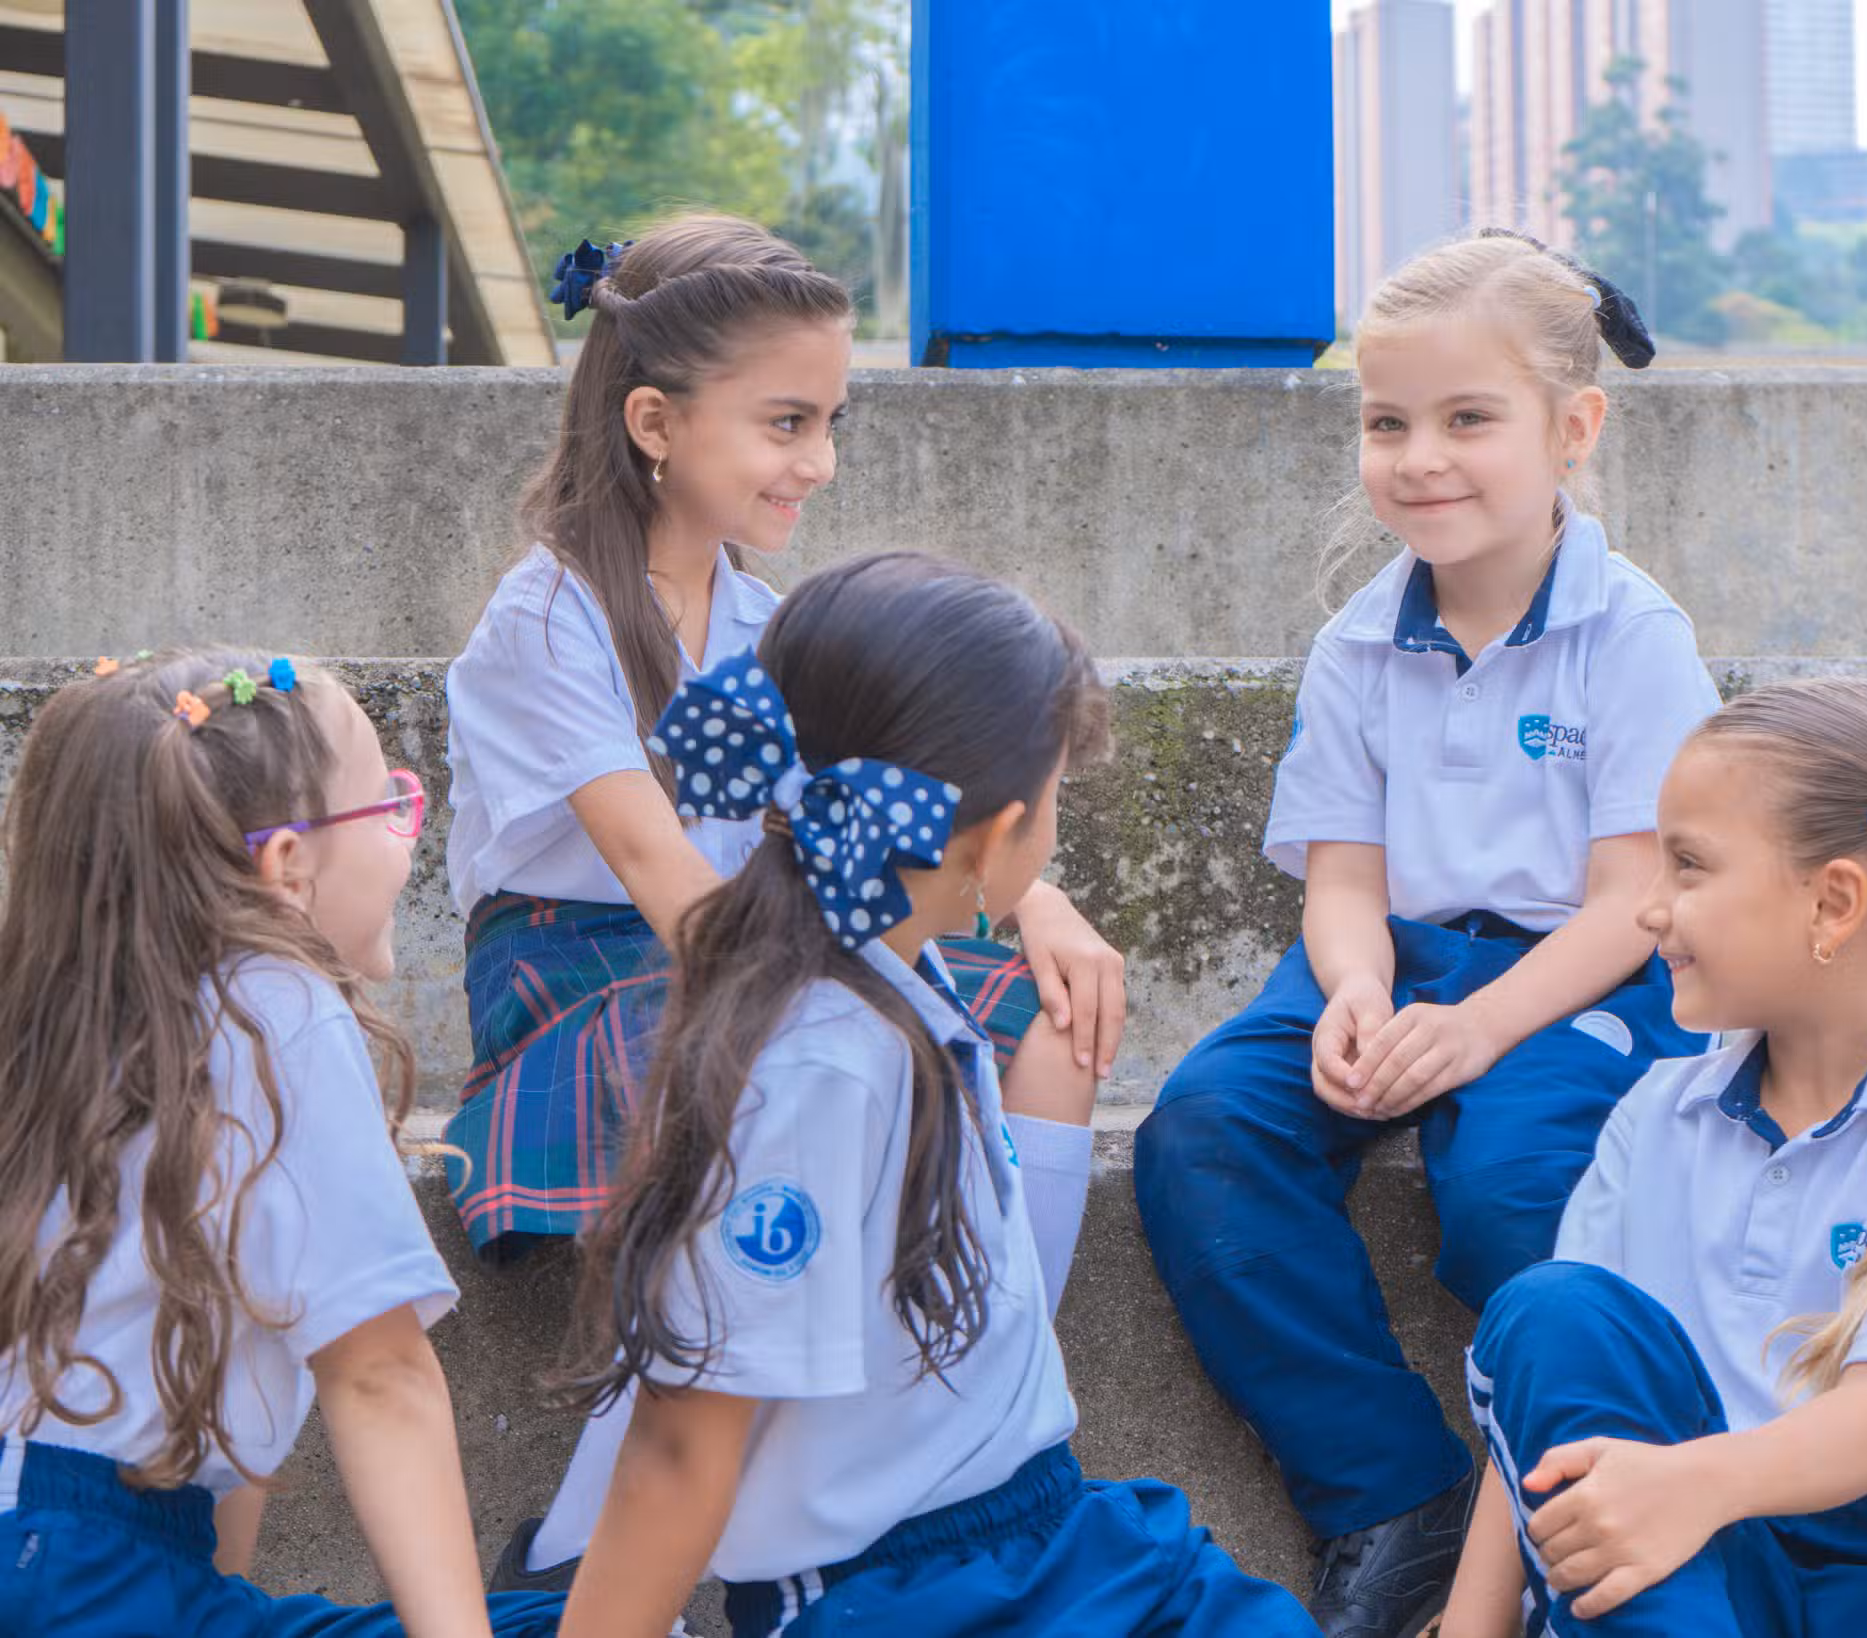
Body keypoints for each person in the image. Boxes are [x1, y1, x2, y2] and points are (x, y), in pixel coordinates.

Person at [451, 215, 1122, 1595]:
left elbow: (885, 803)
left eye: (829, 423)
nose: (817, 462)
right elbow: (659, 874)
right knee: (768, 1088)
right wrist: (846, 997)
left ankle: (968, 1427)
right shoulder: (549, 617)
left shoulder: (763, 621)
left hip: (758, 940)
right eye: (785, 423)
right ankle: (579, 1549)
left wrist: (1038, 901)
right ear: (654, 420)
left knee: (1051, 1021)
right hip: (589, 965)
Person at [550, 554, 1317, 1638]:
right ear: (997, 836)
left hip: (1050, 1530)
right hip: (895, 1594)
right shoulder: (816, 1065)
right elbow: (683, 1441)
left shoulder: (898, 977)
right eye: (1057, 798)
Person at [1133, 230, 1720, 1637]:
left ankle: (1588, 1495)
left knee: (1518, 1193)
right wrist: (1353, 988)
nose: (1419, 458)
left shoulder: (1630, 634)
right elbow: (1342, 880)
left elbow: (1630, 903)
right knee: (1204, 1128)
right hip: (1392, 951)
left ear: (1573, 428)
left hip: (1576, 971)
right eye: (1386, 423)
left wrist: (1476, 1028)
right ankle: (1391, 1494)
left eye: (1467, 419)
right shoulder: (1356, 641)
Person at [1442, 677, 1867, 1638]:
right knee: (1554, 1308)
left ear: (1834, 903)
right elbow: (1542, 1410)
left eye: (1687, 866)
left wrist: (1692, 1484)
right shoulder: (1657, 1113)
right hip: (1697, 1560)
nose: (1647, 910)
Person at [0, 651, 563, 1636]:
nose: (407, 836)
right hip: (85, 1566)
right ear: (288, 865)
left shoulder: (67, 1027)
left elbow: (216, 1466)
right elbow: (378, 1375)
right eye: (392, 806)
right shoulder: (275, 1008)